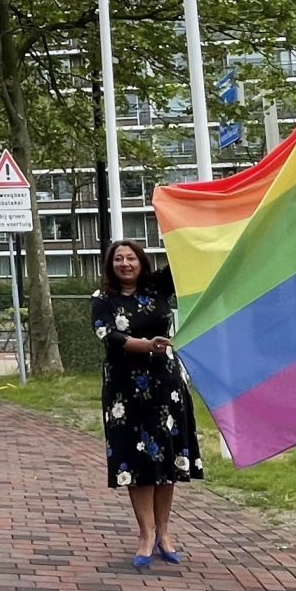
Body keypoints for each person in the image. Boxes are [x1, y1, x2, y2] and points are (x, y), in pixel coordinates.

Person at [90, 239, 202, 569]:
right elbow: (108, 336)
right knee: (136, 465)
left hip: (165, 386)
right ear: (110, 266)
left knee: (165, 461)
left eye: (132, 258)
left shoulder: (158, 288)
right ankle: (146, 535)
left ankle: (165, 534)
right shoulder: (102, 300)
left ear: (142, 261)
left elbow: (187, 259)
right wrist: (145, 345)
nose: (125, 264)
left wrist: (179, 221)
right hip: (125, 392)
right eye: (118, 259)